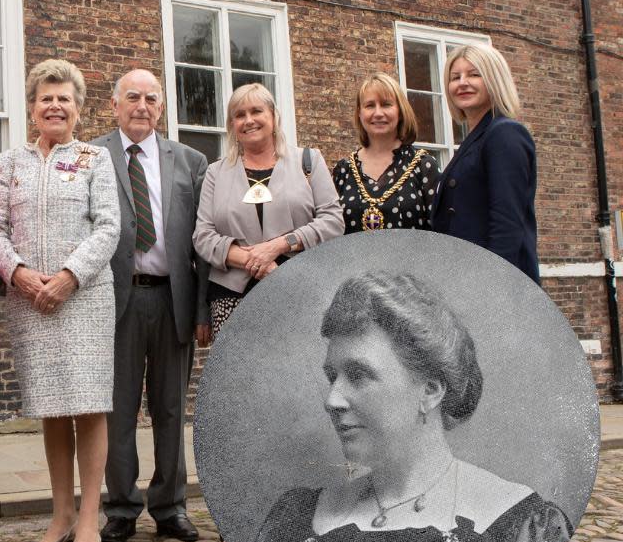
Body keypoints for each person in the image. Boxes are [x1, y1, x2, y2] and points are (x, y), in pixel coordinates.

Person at [246, 272, 572, 542]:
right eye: (331, 376)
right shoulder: (295, 520)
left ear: (430, 391)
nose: (332, 400)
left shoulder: (522, 530)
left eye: (358, 375)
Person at [0, 59, 121, 542]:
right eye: (46, 98)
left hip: (82, 297)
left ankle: (89, 518)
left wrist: (68, 276)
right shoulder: (8, 162)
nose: (55, 106)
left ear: (79, 109)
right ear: (32, 106)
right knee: (52, 406)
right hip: (29, 299)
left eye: (64, 99)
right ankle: (60, 514)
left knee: (87, 404)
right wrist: (18, 272)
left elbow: (109, 228)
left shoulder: (95, 160)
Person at [89, 69, 209, 542]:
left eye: (151, 99)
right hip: (114, 299)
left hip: (172, 297)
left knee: (171, 407)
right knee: (117, 410)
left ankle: (170, 505)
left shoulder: (191, 161)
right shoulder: (92, 154)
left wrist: (201, 309)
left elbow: (201, 244)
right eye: (132, 97)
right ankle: (120, 506)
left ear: (162, 108)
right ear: (114, 104)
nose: (142, 106)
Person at [193, 83, 343, 335]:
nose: (248, 120)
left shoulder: (308, 161)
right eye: (239, 115)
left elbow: (332, 221)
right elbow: (203, 236)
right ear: (232, 125)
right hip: (232, 297)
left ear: (273, 116)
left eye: (256, 111)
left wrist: (279, 245)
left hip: (299, 287)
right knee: (235, 374)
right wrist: (254, 260)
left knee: (296, 372)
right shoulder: (215, 173)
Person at [431, 44, 539, 283]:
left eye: (474, 74)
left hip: (493, 285)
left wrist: (493, 288)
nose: (462, 83)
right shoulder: (476, 139)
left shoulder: (504, 134)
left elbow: (507, 223)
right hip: (465, 279)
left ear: (494, 79)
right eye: (455, 77)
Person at [331, 72, 441, 234]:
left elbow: (440, 231)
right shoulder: (343, 171)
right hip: (355, 260)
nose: (378, 113)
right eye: (370, 106)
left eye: (386, 104)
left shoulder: (423, 166)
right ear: (360, 113)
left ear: (400, 111)